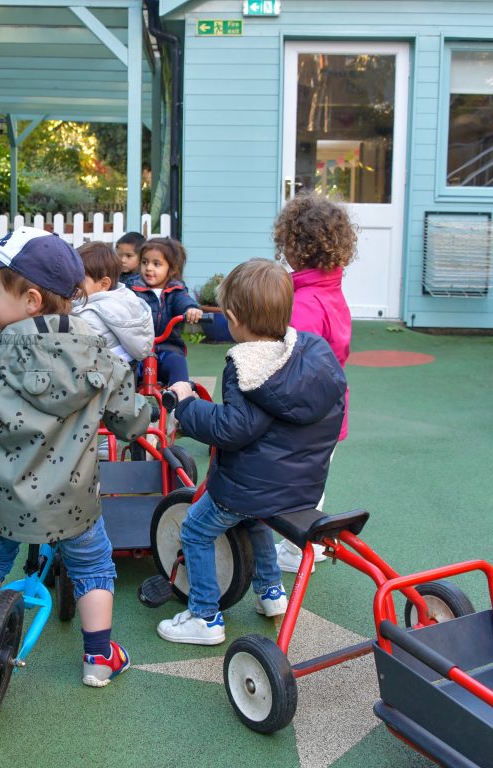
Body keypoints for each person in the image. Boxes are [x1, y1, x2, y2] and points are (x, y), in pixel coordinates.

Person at [0, 227, 151, 686]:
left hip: (4, 493)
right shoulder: (98, 352)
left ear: (32, 300)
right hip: (73, 500)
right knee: (94, 564)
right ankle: (99, 658)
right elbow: (128, 418)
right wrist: (154, 413)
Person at [156, 259, 346, 645]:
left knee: (195, 530)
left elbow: (233, 428)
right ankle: (271, 592)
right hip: (301, 486)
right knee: (256, 520)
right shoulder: (308, 355)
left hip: (251, 485)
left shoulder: (247, 367)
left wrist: (187, 406)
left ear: (233, 318)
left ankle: (205, 616)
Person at [272, 192, 357, 574]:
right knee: (316, 476)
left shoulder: (304, 302)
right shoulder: (330, 288)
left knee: (297, 480)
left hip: (306, 411)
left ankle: (295, 551)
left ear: (295, 248)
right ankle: (313, 543)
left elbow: (293, 360)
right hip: (331, 408)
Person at [126, 237, 202, 386]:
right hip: (138, 349)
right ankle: (125, 402)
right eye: (145, 262)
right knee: (126, 369)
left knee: (177, 363)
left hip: (169, 347)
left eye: (156, 264)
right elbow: (122, 303)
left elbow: (183, 301)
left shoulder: (176, 290)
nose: (148, 268)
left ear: (171, 269)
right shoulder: (132, 288)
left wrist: (191, 309)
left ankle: (180, 401)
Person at [71, 241, 154, 365]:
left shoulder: (88, 315)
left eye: (79, 280)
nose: (72, 284)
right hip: (124, 373)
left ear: (104, 284)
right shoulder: (125, 299)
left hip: (99, 376)